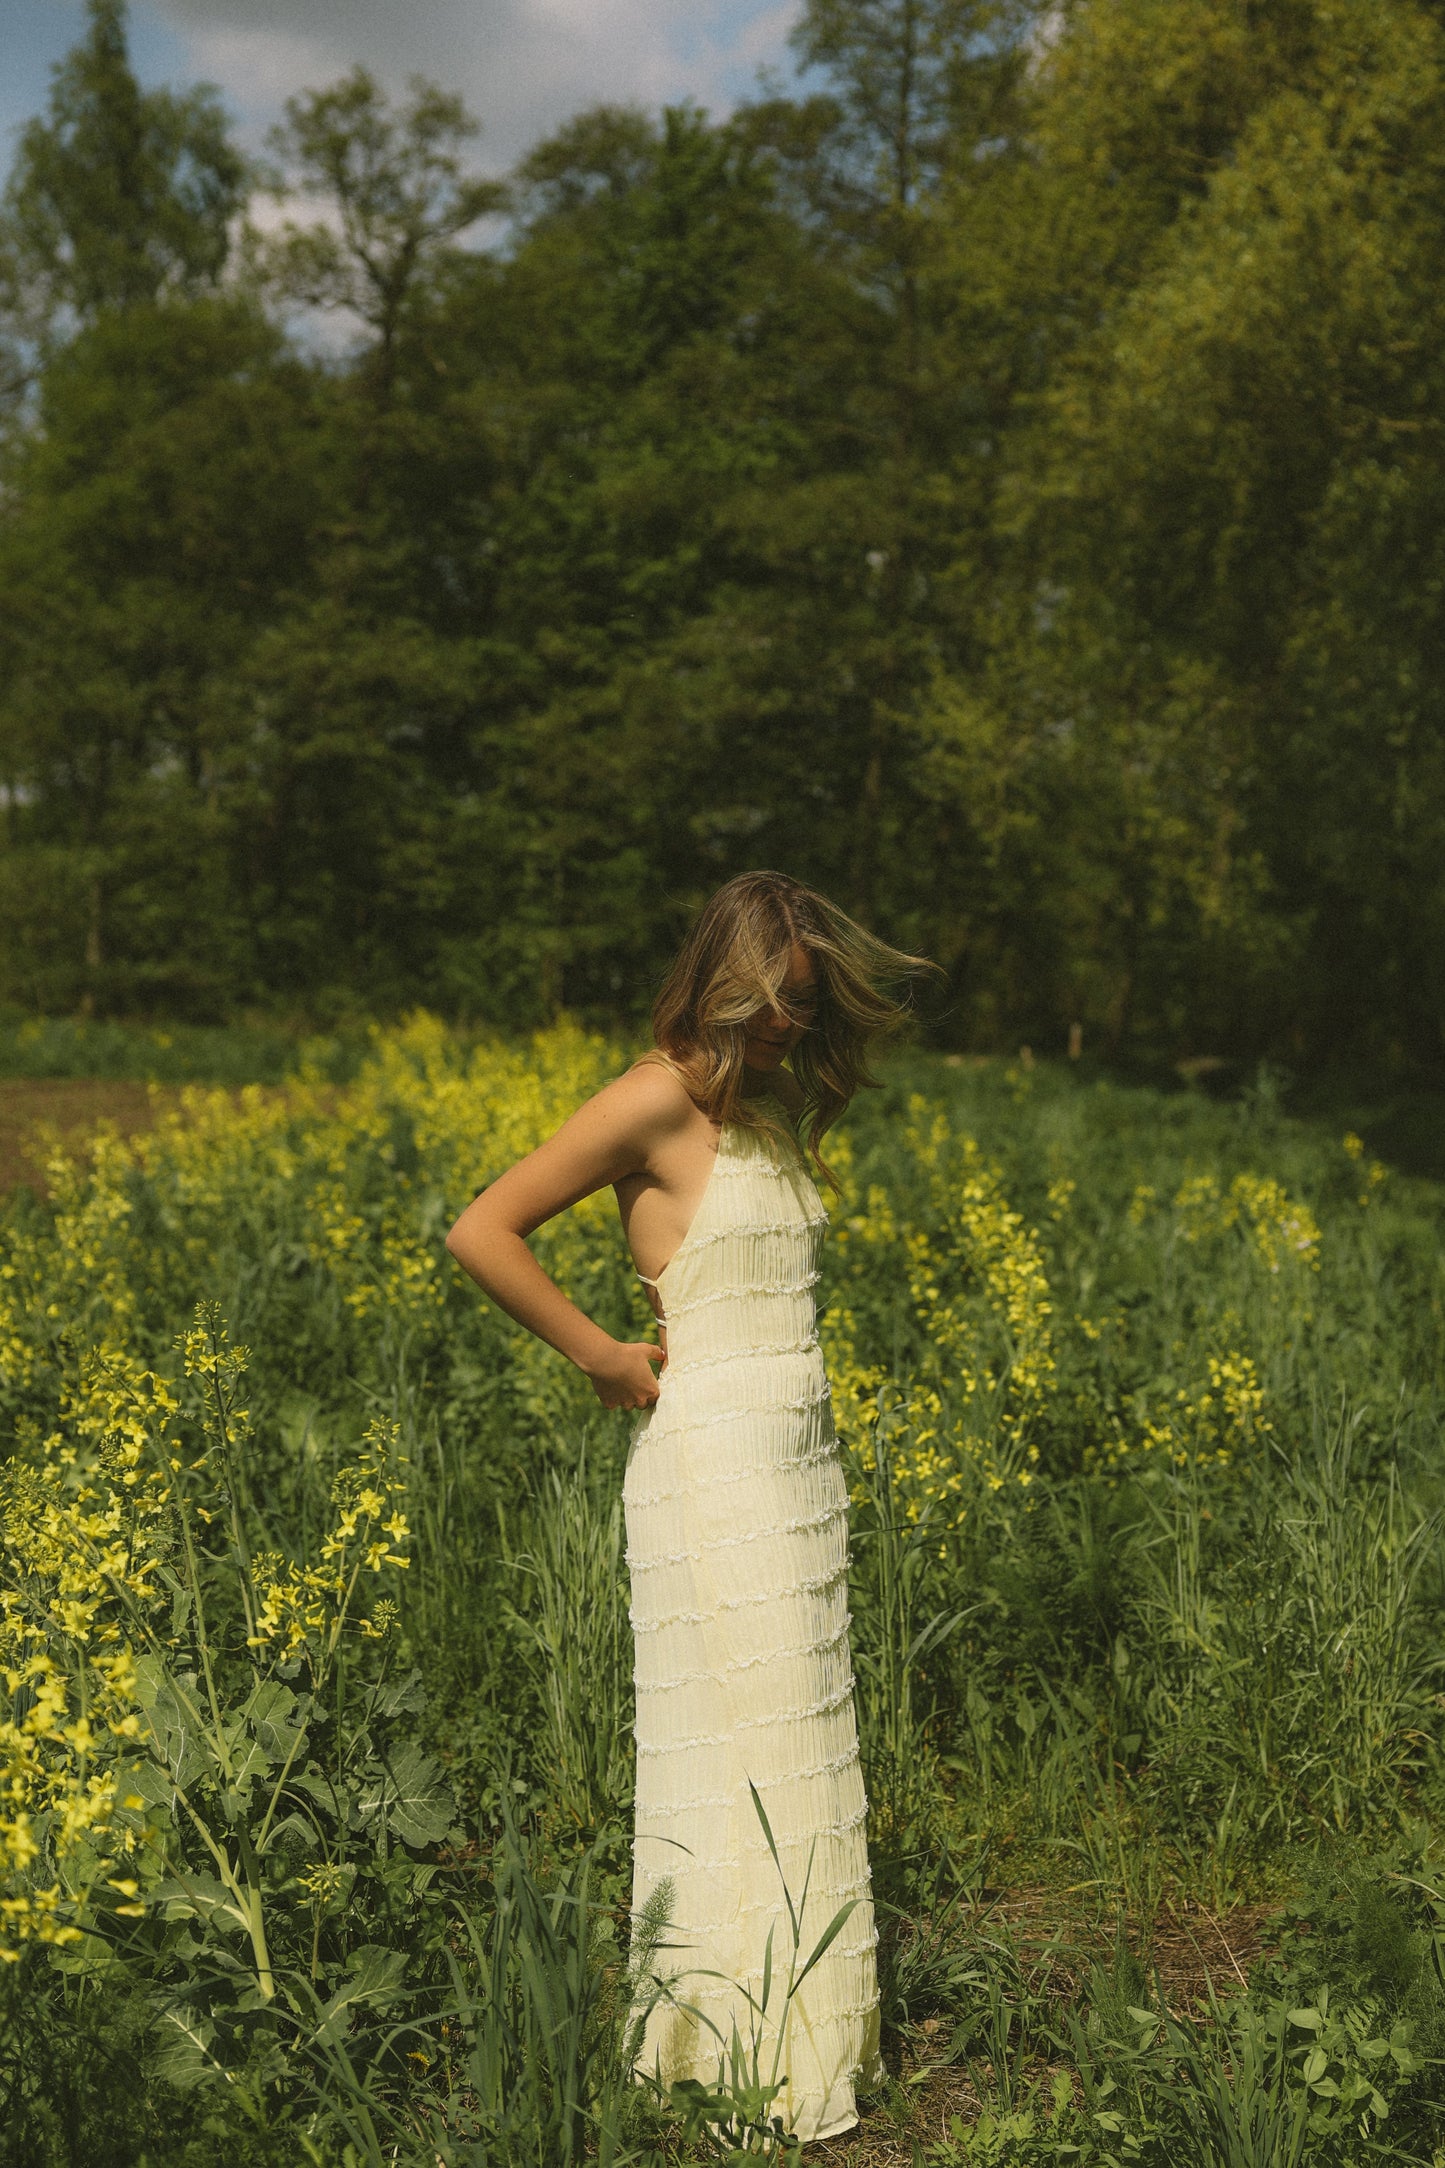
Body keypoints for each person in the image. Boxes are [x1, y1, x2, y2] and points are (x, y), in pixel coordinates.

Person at [445, 870, 929, 2142]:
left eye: (804, 1004)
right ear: (719, 977)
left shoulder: (761, 1099)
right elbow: (482, 1227)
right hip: (708, 1458)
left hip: (795, 1460)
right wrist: (601, 1354)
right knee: (733, 1746)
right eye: (770, 1001)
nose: (785, 1024)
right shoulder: (651, 1094)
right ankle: (727, 2049)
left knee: (796, 1738)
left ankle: (796, 2031)